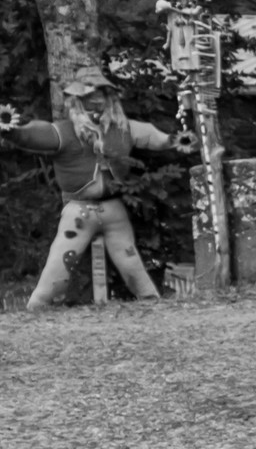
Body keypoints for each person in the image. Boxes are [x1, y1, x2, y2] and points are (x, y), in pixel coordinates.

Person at [0, 66, 195, 309]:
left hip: (113, 209)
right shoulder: (64, 131)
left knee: (129, 258)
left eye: (101, 94)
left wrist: (177, 138)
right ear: (77, 100)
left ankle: (150, 303)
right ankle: (37, 305)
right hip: (78, 211)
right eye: (89, 95)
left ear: (109, 98)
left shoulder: (123, 128)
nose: (96, 99)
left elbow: (155, 137)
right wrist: (11, 130)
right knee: (62, 259)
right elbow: (34, 135)